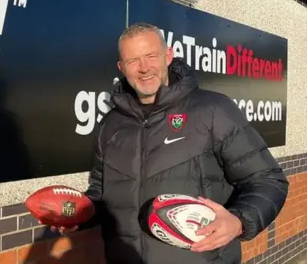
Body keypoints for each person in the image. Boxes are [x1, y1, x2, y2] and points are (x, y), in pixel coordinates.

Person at [43, 22, 289, 263]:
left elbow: (268, 179)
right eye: (133, 61)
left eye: (151, 56)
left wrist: (238, 221)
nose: (144, 68)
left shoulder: (213, 109)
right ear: (122, 67)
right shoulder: (111, 124)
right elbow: (101, 190)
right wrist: (80, 212)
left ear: (168, 55)